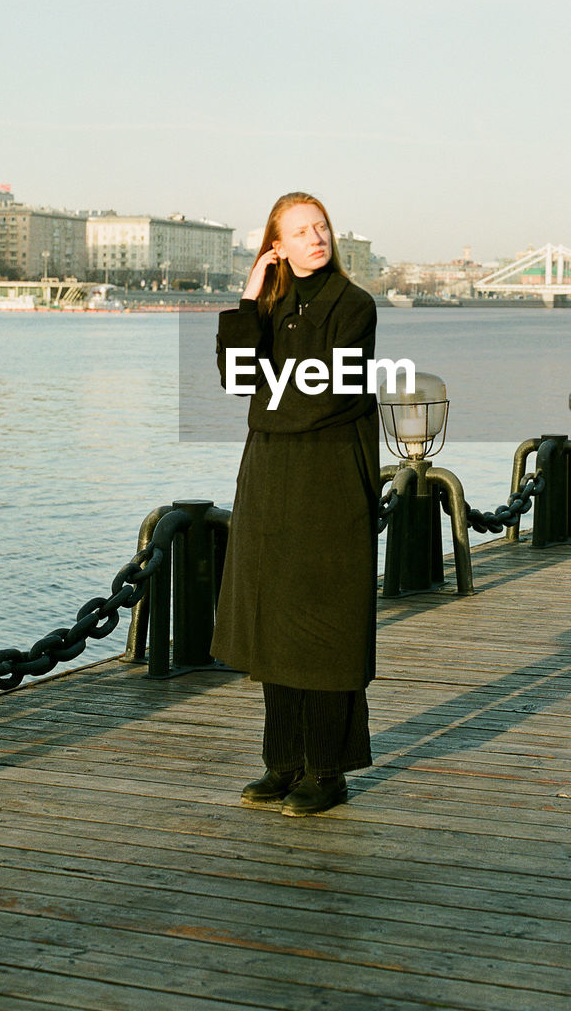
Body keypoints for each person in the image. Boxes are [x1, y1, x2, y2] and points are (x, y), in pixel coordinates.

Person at [212, 192, 379, 816]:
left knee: (326, 630)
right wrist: (248, 302)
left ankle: (328, 770)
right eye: (302, 232)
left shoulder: (354, 306)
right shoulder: (271, 306)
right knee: (274, 623)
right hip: (271, 478)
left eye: (323, 227)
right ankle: (282, 762)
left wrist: (265, 400)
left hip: (331, 478)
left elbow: (329, 393)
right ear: (276, 245)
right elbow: (236, 379)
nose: (318, 238)